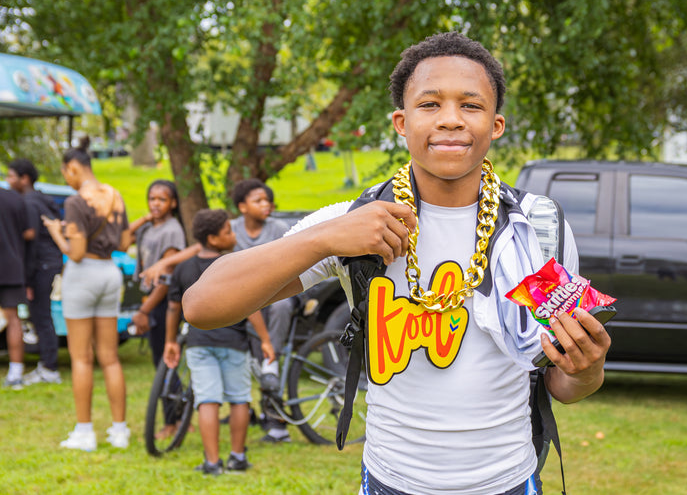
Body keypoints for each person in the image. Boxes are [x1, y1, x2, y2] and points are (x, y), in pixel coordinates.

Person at [183, 32, 612, 494]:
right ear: (401, 122)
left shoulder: (538, 230)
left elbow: (563, 386)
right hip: (392, 479)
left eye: (471, 105)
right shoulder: (354, 224)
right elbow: (203, 305)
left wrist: (586, 370)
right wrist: (325, 240)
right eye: (429, 105)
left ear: (497, 124)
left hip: (507, 479)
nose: (450, 120)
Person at [162, 209, 273, 475]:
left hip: (199, 343)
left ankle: (212, 463)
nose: (233, 235)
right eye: (228, 231)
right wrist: (266, 340)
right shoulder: (233, 265)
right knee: (239, 399)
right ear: (213, 238)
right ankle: (237, 458)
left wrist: (171, 341)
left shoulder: (184, 268)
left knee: (207, 400)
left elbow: (173, 308)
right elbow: (252, 307)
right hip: (233, 342)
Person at [42, 136, 133, 451]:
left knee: (81, 357)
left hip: (83, 275)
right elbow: (123, 244)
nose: (66, 179)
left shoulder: (75, 201)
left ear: (73, 168)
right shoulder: (114, 194)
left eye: (65, 173)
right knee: (110, 357)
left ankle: (85, 432)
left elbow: (76, 253)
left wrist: (57, 234)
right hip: (110, 272)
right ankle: (120, 430)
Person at [229, 179, 294, 443]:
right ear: (242, 206)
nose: (265, 205)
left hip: (275, 294)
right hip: (243, 300)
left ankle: (271, 360)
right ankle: (260, 410)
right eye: (258, 200)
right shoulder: (231, 230)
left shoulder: (278, 228)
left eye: (268, 200)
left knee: (281, 305)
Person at [6, 159, 64, 385]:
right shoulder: (42, 198)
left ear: (24, 178)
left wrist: (27, 279)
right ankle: (47, 364)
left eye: (12, 176)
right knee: (42, 314)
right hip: (51, 262)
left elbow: (31, 241)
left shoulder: (29, 203)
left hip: (40, 264)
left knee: (41, 315)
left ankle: (49, 368)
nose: (9, 181)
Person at [128, 180, 186, 367]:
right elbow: (121, 239)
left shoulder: (172, 231)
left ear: (173, 203)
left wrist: (144, 311)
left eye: (162, 199)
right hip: (150, 296)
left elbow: (167, 278)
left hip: (163, 299)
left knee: (164, 360)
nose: (156, 203)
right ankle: (167, 395)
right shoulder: (149, 227)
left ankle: (172, 395)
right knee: (157, 358)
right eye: (152, 199)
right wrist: (145, 218)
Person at [0, 186, 35, 389]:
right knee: (13, 319)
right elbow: (29, 232)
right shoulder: (14, 198)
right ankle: (16, 372)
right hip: (12, 266)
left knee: (12, 320)